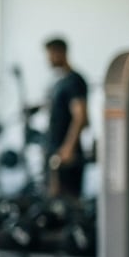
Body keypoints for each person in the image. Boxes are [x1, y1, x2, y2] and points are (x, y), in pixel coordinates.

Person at [43, 37, 88, 198]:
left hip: (66, 153)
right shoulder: (59, 82)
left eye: (50, 54)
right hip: (54, 149)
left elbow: (81, 116)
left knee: (67, 203)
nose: (48, 59)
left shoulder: (74, 81)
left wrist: (68, 148)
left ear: (60, 53)